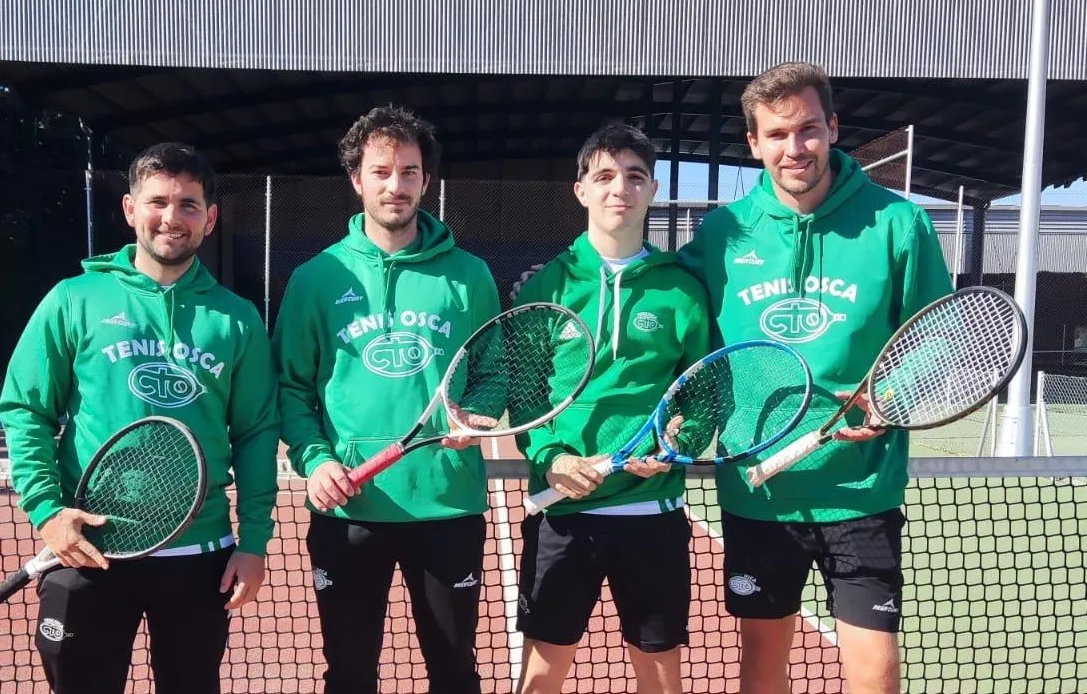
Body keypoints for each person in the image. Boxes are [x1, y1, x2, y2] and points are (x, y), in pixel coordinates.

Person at [678, 62, 954, 694]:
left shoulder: (898, 224)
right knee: (762, 670)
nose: (793, 147)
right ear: (753, 143)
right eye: (776, 135)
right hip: (758, 492)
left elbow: (937, 333)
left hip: (860, 491)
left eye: (807, 129)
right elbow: (677, 321)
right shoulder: (722, 233)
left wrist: (893, 397)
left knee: (875, 676)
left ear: (832, 128)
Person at [0, 142, 280, 694]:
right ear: (130, 209)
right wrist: (48, 511)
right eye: (157, 201)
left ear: (210, 218)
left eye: (188, 205)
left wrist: (254, 544)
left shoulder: (237, 320)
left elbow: (255, 434)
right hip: (88, 549)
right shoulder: (72, 300)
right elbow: (25, 409)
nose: (171, 218)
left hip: (200, 555)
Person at [273, 105, 500, 694]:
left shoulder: (469, 276)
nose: (394, 185)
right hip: (349, 508)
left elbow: (494, 369)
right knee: (349, 675)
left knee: (454, 673)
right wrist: (316, 460)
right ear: (356, 180)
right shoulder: (315, 278)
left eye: (408, 171)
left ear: (426, 180)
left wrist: (475, 415)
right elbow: (291, 389)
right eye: (380, 171)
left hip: (447, 505)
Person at [512, 124, 711, 694]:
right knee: (540, 677)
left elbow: (703, 394)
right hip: (564, 515)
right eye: (603, 176)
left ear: (652, 190)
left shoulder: (682, 290)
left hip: (654, 515)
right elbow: (526, 396)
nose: (618, 188)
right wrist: (551, 459)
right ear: (581, 191)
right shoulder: (547, 285)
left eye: (634, 176)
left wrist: (679, 445)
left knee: (660, 679)